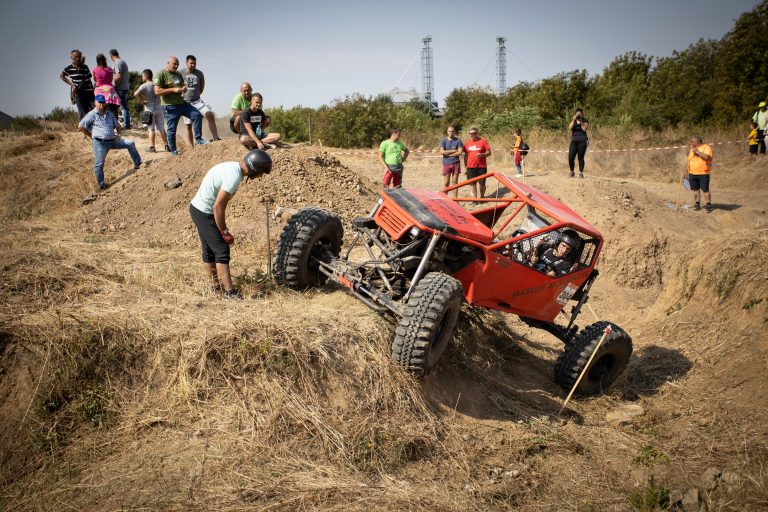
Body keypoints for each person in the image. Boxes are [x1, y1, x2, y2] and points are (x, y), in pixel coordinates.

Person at [189, 150, 273, 299]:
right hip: (204, 212)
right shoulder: (234, 177)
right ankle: (229, 292)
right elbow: (218, 207)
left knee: (209, 249)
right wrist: (225, 232)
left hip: (197, 208)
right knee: (221, 249)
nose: (260, 177)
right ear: (255, 169)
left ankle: (214, 287)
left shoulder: (232, 167)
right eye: (261, 173)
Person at [78, 95, 142, 190]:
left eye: (103, 102)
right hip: (100, 143)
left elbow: (118, 126)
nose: (101, 104)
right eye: (99, 102)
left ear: (105, 103)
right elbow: (80, 126)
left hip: (113, 141)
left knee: (130, 143)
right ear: (95, 102)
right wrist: (91, 136)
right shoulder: (91, 114)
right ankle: (102, 184)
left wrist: (119, 135)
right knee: (99, 164)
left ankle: (138, 163)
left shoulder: (110, 114)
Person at [153, 56, 208, 155]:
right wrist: (173, 89)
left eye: (177, 65)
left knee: (196, 115)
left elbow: (182, 85)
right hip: (170, 106)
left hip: (182, 103)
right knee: (172, 129)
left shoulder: (177, 74)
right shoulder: (160, 74)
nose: (176, 66)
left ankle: (199, 139)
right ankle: (173, 150)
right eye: (174, 64)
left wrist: (183, 88)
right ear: (168, 63)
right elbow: (157, 91)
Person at [182, 55, 220, 146]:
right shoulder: (180, 73)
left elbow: (202, 86)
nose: (193, 65)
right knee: (189, 125)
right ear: (186, 63)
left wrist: (197, 94)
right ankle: (192, 147)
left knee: (209, 115)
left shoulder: (199, 73)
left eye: (194, 63)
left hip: (197, 101)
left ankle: (216, 139)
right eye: (191, 63)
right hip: (186, 103)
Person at [134, 69, 169, 153]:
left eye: (142, 76)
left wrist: (141, 101)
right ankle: (167, 145)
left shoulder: (143, 86)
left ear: (145, 76)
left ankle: (152, 147)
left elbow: (135, 94)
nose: (142, 77)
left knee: (151, 129)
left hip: (149, 109)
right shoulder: (156, 84)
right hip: (159, 108)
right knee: (161, 128)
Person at [60, 50, 95, 120]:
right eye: (75, 57)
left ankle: (94, 127)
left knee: (93, 109)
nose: (77, 58)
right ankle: (83, 128)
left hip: (89, 92)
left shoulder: (85, 67)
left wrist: (93, 90)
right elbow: (62, 76)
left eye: (79, 57)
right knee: (82, 111)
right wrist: (71, 84)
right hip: (78, 93)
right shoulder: (68, 68)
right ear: (71, 58)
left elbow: (89, 79)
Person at [683, 135, 714, 213]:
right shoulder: (691, 149)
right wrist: (686, 170)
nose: (690, 143)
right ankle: (697, 204)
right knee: (695, 190)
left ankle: (708, 205)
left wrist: (697, 151)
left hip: (703, 173)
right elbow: (689, 160)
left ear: (697, 142)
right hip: (692, 173)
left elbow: (706, 157)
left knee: (705, 190)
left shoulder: (706, 147)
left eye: (692, 141)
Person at [463, 127, 492, 198]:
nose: (472, 135)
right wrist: (465, 166)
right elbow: (466, 155)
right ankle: (475, 199)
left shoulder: (483, 141)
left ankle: (482, 196)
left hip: (481, 166)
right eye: (470, 133)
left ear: (477, 133)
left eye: (473, 133)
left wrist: (482, 154)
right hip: (470, 166)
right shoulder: (467, 143)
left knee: (482, 184)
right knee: (472, 184)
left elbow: (489, 152)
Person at [109, 49, 131, 129]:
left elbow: (118, 76)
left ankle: (125, 126)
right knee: (123, 106)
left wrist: (114, 86)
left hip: (119, 88)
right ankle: (126, 125)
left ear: (111, 56)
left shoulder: (117, 63)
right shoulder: (123, 62)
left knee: (120, 107)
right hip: (124, 87)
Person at [439, 125, 463, 197]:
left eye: (452, 131)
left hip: (456, 163)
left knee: (455, 183)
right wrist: (453, 151)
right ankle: (445, 198)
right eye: (449, 131)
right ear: (447, 132)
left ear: (454, 132)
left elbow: (460, 152)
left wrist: (448, 154)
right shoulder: (443, 140)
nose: (451, 133)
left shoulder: (458, 140)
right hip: (446, 163)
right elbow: (442, 152)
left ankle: (455, 200)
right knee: (446, 183)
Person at [567, 108, 589, 178]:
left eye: (580, 114)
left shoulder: (585, 120)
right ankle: (572, 171)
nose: (579, 115)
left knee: (580, 157)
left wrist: (581, 122)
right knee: (570, 157)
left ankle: (580, 173)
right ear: (575, 114)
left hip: (582, 141)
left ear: (582, 114)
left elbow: (584, 129)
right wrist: (574, 120)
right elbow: (570, 128)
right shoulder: (574, 120)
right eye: (577, 114)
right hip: (574, 141)